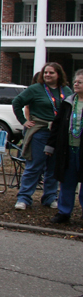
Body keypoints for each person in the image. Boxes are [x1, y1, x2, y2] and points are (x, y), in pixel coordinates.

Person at [12, 62, 71, 210]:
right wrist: (24, 121)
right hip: (40, 132)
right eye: (45, 73)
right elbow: (17, 102)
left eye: (51, 73)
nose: (47, 75)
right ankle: (24, 198)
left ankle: (50, 197)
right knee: (34, 165)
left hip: (58, 134)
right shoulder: (35, 89)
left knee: (53, 167)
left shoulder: (66, 91)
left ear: (58, 74)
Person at [44, 69, 83, 224]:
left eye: (80, 82)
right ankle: (64, 212)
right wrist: (50, 146)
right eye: (75, 82)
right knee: (67, 181)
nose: (76, 84)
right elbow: (58, 125)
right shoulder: (69, 102)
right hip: (68, 149)